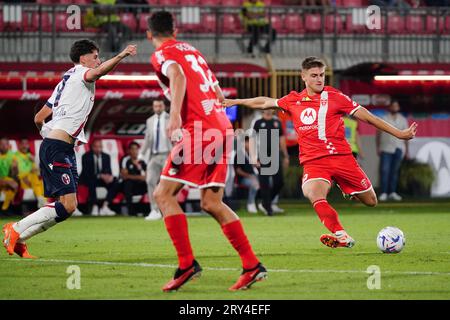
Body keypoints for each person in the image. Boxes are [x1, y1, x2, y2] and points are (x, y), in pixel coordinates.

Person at [223, 56, 417, 249]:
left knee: (371, 201)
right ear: (303, 77)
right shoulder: (294, 100)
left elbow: (369, 117)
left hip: (342, 159)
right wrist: (236, 101)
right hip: (314, 162)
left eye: (322, 75)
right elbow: (265, 102)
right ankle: (342, 235)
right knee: (312, 192)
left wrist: (399, 133)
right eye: (314, 75)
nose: (319, 79)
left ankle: (344, 188)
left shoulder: (336, 97)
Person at [147, 11, 266, 292]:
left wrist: (175, 114)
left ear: (149, 34)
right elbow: (217, 91)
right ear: (175, 29)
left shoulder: (162, 54)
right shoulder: (193, 51)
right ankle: (251, 265)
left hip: (199, 129)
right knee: (211, 202)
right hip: (221, 126)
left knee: (163, 195)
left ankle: (186, 264)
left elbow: (176, 75)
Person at [2, 39, 137, 259]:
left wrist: (48, 134)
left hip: (59, 147)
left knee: (68, 206)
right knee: (66, 204)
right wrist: (122, 55)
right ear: (83, 58)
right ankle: (15, 229)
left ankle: (20, 240)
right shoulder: (83, 73)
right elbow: (100, 71)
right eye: (95, 56)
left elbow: (39, 118)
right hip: (58, 148)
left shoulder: (65, 80)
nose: (98, 60)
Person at [252, 109, 289, 216]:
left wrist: (285, 155)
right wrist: (254, 157)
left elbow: (282, 139)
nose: (268, 110)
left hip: (275, 154)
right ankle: (268, 209)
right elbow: (252, 140)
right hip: (262, 154)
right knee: (265, 183)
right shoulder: (257, 122)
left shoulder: (277, 121)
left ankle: (265, 203)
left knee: (279, 181)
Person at [139, 99, 171, 221]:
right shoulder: (150, 121)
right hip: (154, 156)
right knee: (150, 180)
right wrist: (141, 154)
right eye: (155, 106)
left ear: (164, 106)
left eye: (160, 105)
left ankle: (167, 211)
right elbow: (148, 139)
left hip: (168, 155)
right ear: (153, 107)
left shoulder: (171, 118)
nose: (157, 108)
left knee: (167, 184)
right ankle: (155, 210)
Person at [376, 100, 409, 202]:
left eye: (396, 106)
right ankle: (384, 193)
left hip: (398, 148)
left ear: (398, 108)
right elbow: (378, 134)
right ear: (390, 107)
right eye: (393, 106)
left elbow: (407, 136)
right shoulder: (384, 118)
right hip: (386, 148)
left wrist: (407, 150)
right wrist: (378, 147)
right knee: (385, 171)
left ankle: (393, 192)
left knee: (394, 171)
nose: (395, 107)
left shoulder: (403, 119)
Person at [79, 139, 119, 216]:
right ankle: (94, 206)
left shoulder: (106, 156)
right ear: (92, 147)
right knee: (92, 181)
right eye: (96, 147)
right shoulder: (86, 156)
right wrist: (100, 175)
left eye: (100, 147)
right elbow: (87, 173)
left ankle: (105, 206)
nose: (98, 149)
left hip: (101, 179)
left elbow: (108, 170)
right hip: (88, 178)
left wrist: (109, 177)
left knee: (115, 182)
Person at [14, 138, 46, 209]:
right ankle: (42, 200)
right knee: (36, 178)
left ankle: (43, 201)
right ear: (19, 145)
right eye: (23, 144)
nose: (25, 146)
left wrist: (34, 161)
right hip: (23, 180)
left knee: (41, 180)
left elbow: (35, 170)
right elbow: (17, 172)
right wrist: (24, 177)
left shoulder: (30, 156)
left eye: (26, 144)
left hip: (32, 180)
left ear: (28, 146)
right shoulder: (15, 156)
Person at [120, 141, 147, 216]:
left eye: (136, 149)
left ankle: (152, 210)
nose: (135, 151)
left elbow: (147, 176)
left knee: (151, 184)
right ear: (129, 150)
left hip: (139, 185)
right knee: (128, 183)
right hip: (126, 185)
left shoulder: (141, 161)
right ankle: (130, 211)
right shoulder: (125, 160)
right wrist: (139, 177)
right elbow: (124, 176)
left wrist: (139, 169)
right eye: (132, 149)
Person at [234, 137, 260, 214]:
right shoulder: (239, 154)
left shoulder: (252, 154)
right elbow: (238, 171)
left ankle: (268, 204)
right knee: (254, 184)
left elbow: (258, 164)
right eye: (248, 143)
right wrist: (249, 176)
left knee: (271, 182)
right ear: (243, 143)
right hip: (243, 178)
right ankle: (250, 203)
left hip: (255, 176)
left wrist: (257, 164)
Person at [0, 137, 18, 214]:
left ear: (9, 145)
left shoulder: (13, 156)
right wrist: (6, 182)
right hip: (2, 180)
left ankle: (4, 209)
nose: (4, 146)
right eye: (1, 144)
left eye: (6, 144)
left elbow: (14, 176)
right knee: (12, 184)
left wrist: (14, 169)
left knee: (13, 185)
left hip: (8, 180)